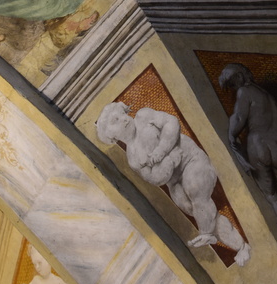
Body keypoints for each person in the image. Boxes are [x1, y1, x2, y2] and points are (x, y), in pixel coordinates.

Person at [95, 101, 251, 266]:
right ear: (113, 138)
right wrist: (169, 161)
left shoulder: (143, 116)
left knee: (194, 188)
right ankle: (240, 246)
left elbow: (171, 124)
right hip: (174, 180)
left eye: (122, 115)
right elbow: (155, 178)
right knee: (193, 208)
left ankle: (205, 232)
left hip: (191, 160)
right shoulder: (133, 157)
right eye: (116, 121)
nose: (124, 120)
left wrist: (162, 150)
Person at [219, 63, 277, 244]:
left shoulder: (245, 93)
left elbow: (238, 119)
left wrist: (231, 136)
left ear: (239, 77)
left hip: (257, 148)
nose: (233, 89)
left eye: (232, 84)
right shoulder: (271, 100)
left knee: (272, 197)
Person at [9, 245, 76, 284]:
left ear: (48, 261)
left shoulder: (60, 283)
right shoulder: (37, 280)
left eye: (39, 263)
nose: (37, 267)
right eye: (35, 264)